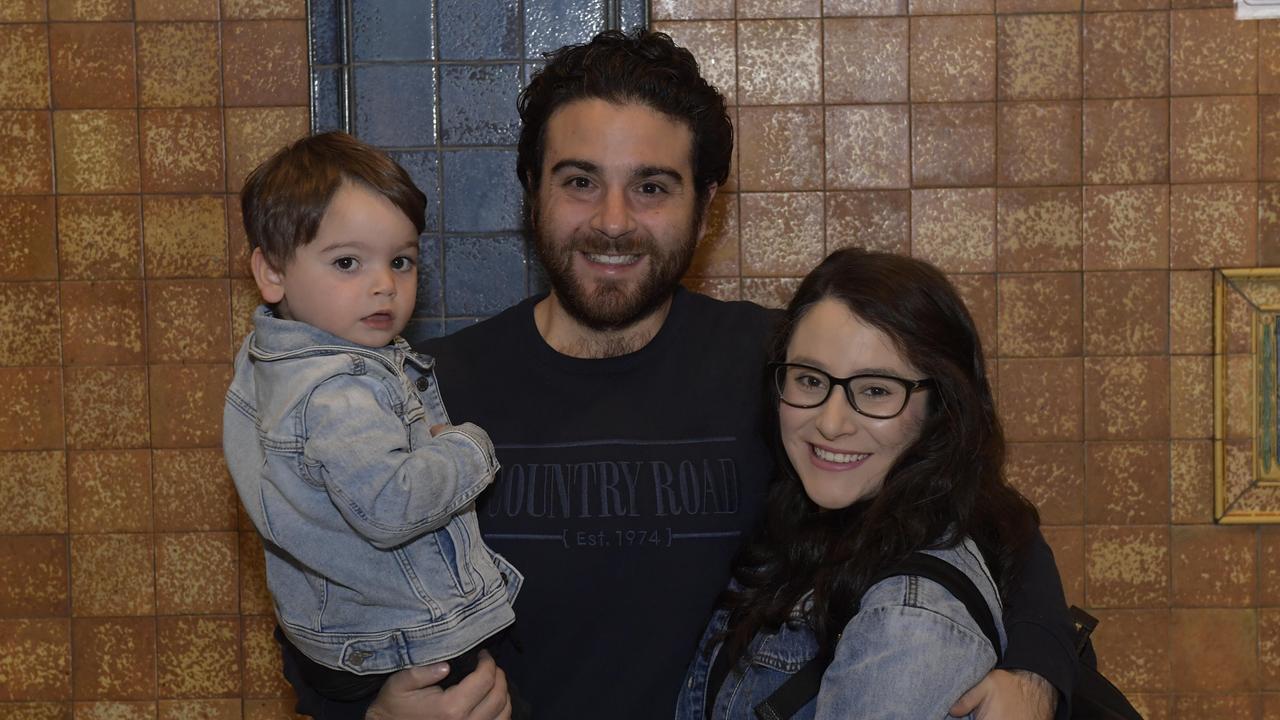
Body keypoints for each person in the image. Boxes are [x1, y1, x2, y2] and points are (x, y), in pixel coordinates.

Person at [279, 30, 1076, 720]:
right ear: (533, 192)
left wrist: (1039, 672)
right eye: (580, 181)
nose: (614, 220)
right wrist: (365, 705)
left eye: (652, 187)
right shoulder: (423, 390)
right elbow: (321, 583)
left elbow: (981, 513)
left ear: (707, 204)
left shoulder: (786, 370)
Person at [674, 248, 1041, 719]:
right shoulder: (814, 526)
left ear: (941, 408)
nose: (831, 422)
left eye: (875, 391)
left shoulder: (908, 624)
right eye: (809, 379)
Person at [224, 131, 521, 705]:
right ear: (272, 273)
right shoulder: (339, 392)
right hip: (403, 639)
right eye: (347, 262)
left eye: (401, 261)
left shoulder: (266, 359)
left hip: (330, 636)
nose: (384, 284)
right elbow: (392, 508)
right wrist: (470, 448)